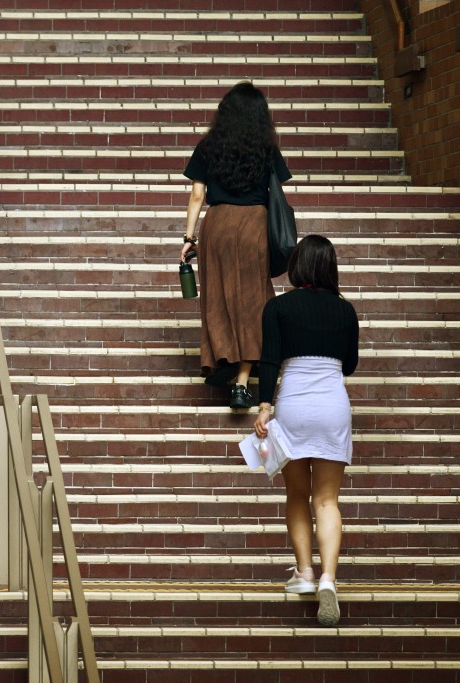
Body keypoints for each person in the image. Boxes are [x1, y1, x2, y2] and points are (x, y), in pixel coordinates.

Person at [253, 235, 359, 627]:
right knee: (327, 500)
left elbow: (268, 361)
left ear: (297, 265)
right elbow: (349, 365)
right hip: (333, 405)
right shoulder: (345, 311)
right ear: (330, 267)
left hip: (294, 406)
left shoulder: (278, 307)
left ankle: (305, 572)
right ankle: (330, 579)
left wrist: (264, 406)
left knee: (297, 493)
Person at [181, 81, 292, 409]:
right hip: (254, 226)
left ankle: (223, 356)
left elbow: (197, 195)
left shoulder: (209, 145)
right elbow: (278, 189)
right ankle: (242, 382)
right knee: (253, 300)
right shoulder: (266, 147)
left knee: (217, 297)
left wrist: (189, 238)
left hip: (218, 225)